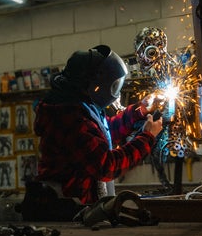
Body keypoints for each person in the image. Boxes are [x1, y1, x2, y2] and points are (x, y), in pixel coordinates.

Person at [32, 44, 163, 208]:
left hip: (78, 205)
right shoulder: (70, 118)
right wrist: (146, 138)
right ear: (95, 85)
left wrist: (139, 110)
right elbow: (106, 166)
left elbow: (105, 132)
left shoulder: (79, 107)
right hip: (67, 210)